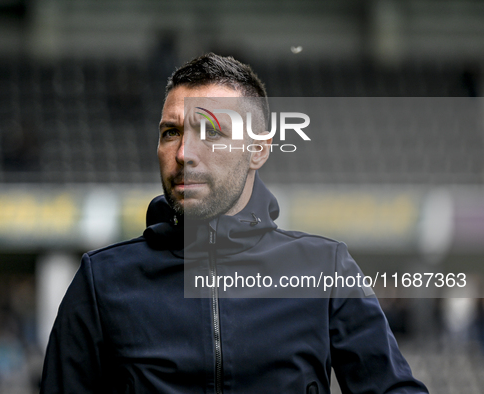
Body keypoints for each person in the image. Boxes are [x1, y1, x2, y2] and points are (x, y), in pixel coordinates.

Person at [40, 53, 428, 393]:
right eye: (171, 132)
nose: (184, 153)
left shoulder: (326, 269)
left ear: (258, 150)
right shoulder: (101, 281)